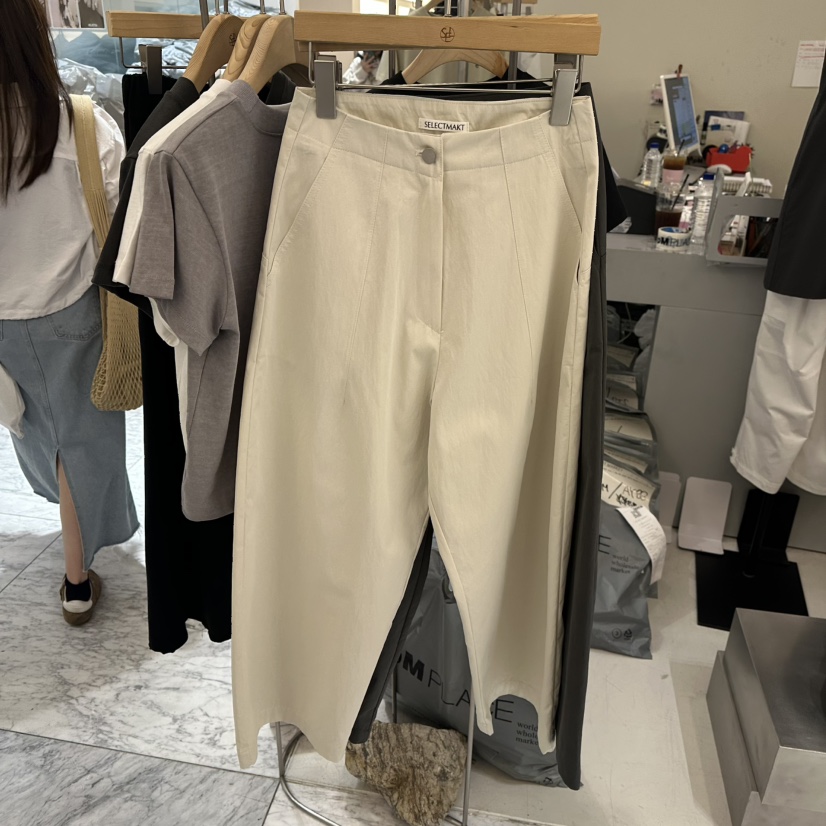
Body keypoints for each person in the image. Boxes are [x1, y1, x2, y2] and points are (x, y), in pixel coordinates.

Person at [0, 0, 137, 625]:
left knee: (33, 428)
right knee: (81, 441)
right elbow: (116, 212)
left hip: (3, 320)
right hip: (72, 310)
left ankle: (74, 548)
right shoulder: (79, 123)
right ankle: (77, 583)